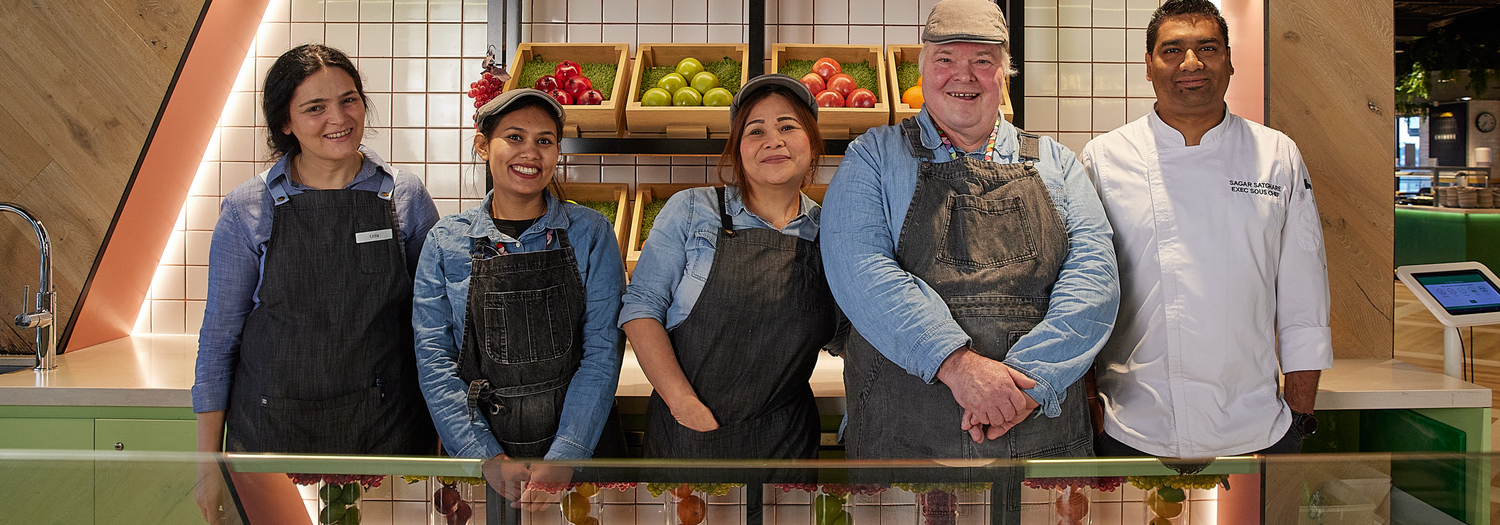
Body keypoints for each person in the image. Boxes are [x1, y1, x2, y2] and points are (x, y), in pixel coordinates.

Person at [822, 0, 1119, 461]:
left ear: (1004, 74)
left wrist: (1027, 385)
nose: (963, 76)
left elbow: (1094, 279)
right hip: (903, 434)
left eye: (982, 61)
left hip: (1037, 426)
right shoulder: (873, 157)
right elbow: (860, 271)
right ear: (923, 70)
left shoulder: (1057, 162)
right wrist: (957, 365)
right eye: (945, 59)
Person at [193, 44, 439, 523]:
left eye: (349, 100)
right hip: (272, 431)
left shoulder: (404, 198)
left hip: (385, 425)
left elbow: (432, 328)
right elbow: (219, 339)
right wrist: (207, 464)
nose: (338, 119)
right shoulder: (247, 209)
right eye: (314, 108)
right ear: (285, 123)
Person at [1081, 0, 1331, 459]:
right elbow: (1083, 294)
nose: (1191, 63)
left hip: (1256, 424)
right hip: (1130, 423)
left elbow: (1305, 296)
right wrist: (1091, 407)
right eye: (1172, 50)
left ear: (1230, 61)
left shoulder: (1277, 155)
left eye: (1208, 48)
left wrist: (1299, 416)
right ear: (1149, 66)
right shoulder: (1105, 158)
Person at [412, 88, 626, 508]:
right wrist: (484, 455)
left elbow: (602, 351)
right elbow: (434, 359)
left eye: (545, 140)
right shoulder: (446, 241)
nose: (530, 152)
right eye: (514, 137)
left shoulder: (591, 232)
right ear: (482, 145)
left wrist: (566, 455)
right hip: (487, 455)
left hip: (583, 447)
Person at [620, 74, 839, 459]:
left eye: (788, 127)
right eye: (756, 131)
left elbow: (850, 334)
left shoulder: (832, 233)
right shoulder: (692, 209)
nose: (774, 140)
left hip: (785, 443)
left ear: (813, 142)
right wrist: (683, 403)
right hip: (687, 435)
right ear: (738, 149)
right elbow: (641, 309)